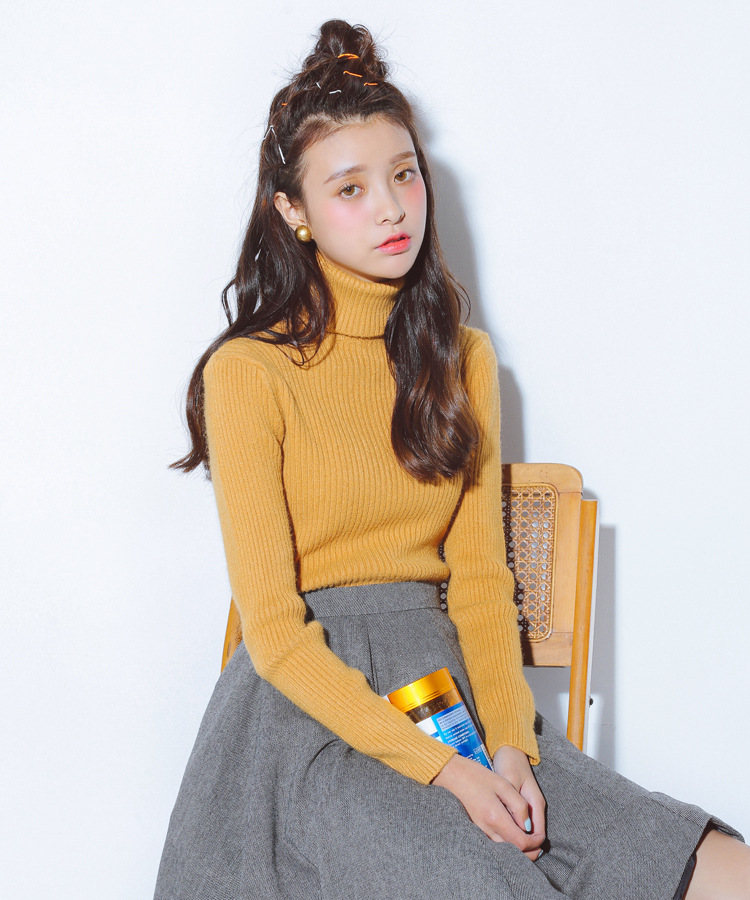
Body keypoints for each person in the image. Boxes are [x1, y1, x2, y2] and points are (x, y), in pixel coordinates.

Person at [155, 19, 749, 900]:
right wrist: (450, 773)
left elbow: (478, 580)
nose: (392, 207)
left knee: (705, 863)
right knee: (478, 873)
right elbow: (275, 636)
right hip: (308, 724)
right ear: (293, 212)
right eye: (350, 188)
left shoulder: (462, 359)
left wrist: (507, 747)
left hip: (452, 689)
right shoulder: (250, 372)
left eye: (404, 174)